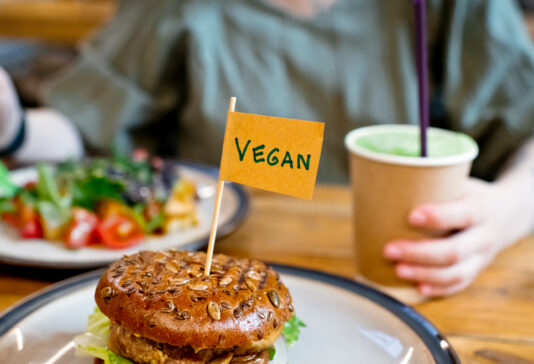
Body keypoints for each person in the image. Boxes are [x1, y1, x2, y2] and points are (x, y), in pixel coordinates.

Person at [0, 0, 533, 297]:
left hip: (418, 288)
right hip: (212, 278)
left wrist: (506, 210)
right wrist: (13, 128)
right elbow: (83, 128)